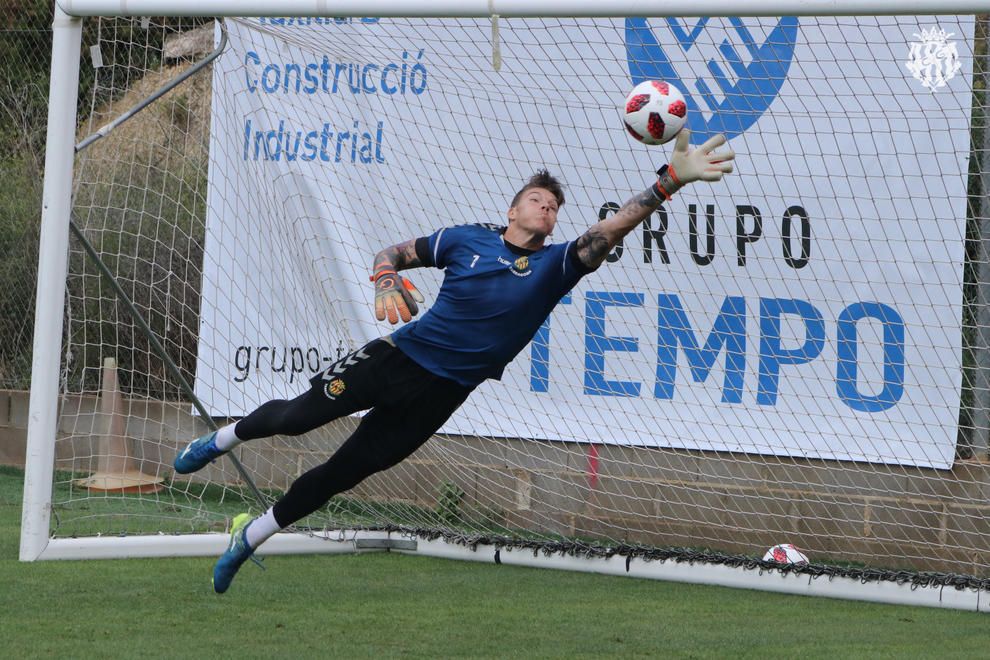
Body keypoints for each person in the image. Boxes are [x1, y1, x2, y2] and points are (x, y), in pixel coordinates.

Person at [174, 129, 734, 593]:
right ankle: (221, 440)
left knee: (343, 474)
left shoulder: (559, 265)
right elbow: (390, 253)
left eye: (555, 206)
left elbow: (609, 229)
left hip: (442, 395)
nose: (548, 208)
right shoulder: (466, 239)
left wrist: (668, 182)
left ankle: (250, 536)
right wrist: (387, 279)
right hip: (395, 358)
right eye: (538, 199)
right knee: (296, 419)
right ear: (512, 209)